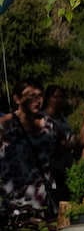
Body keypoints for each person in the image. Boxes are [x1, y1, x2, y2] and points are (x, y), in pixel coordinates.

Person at [0, 82, 59, 211]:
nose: (38, 100)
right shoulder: (6, 124)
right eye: (31, 95)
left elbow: (61, 148)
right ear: (17, 99)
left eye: (40, 95)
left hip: (43, 195)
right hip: (12, 196)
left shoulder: (49, 125)